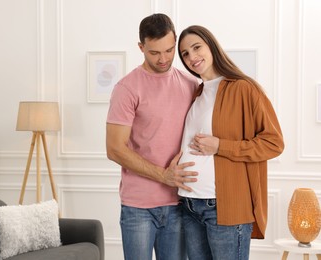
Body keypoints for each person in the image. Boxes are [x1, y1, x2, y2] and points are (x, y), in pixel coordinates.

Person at [177, 25, 284, 260]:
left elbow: (273, 142)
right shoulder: (198, 93)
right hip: (189, 204)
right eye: (185, 53)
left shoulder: (244, 88)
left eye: (197, 48)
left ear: (211, 46)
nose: (192, 57)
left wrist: (220, 146)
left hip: (223, 207)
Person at [106, 14, 200, 260]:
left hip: (181, 204)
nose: (164, 59)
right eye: (154, 52)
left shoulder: (191, 84)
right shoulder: (127, 88)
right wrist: (163, 176)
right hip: (138, 207)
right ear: (141, 48)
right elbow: (114, 148)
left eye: (169, 50)